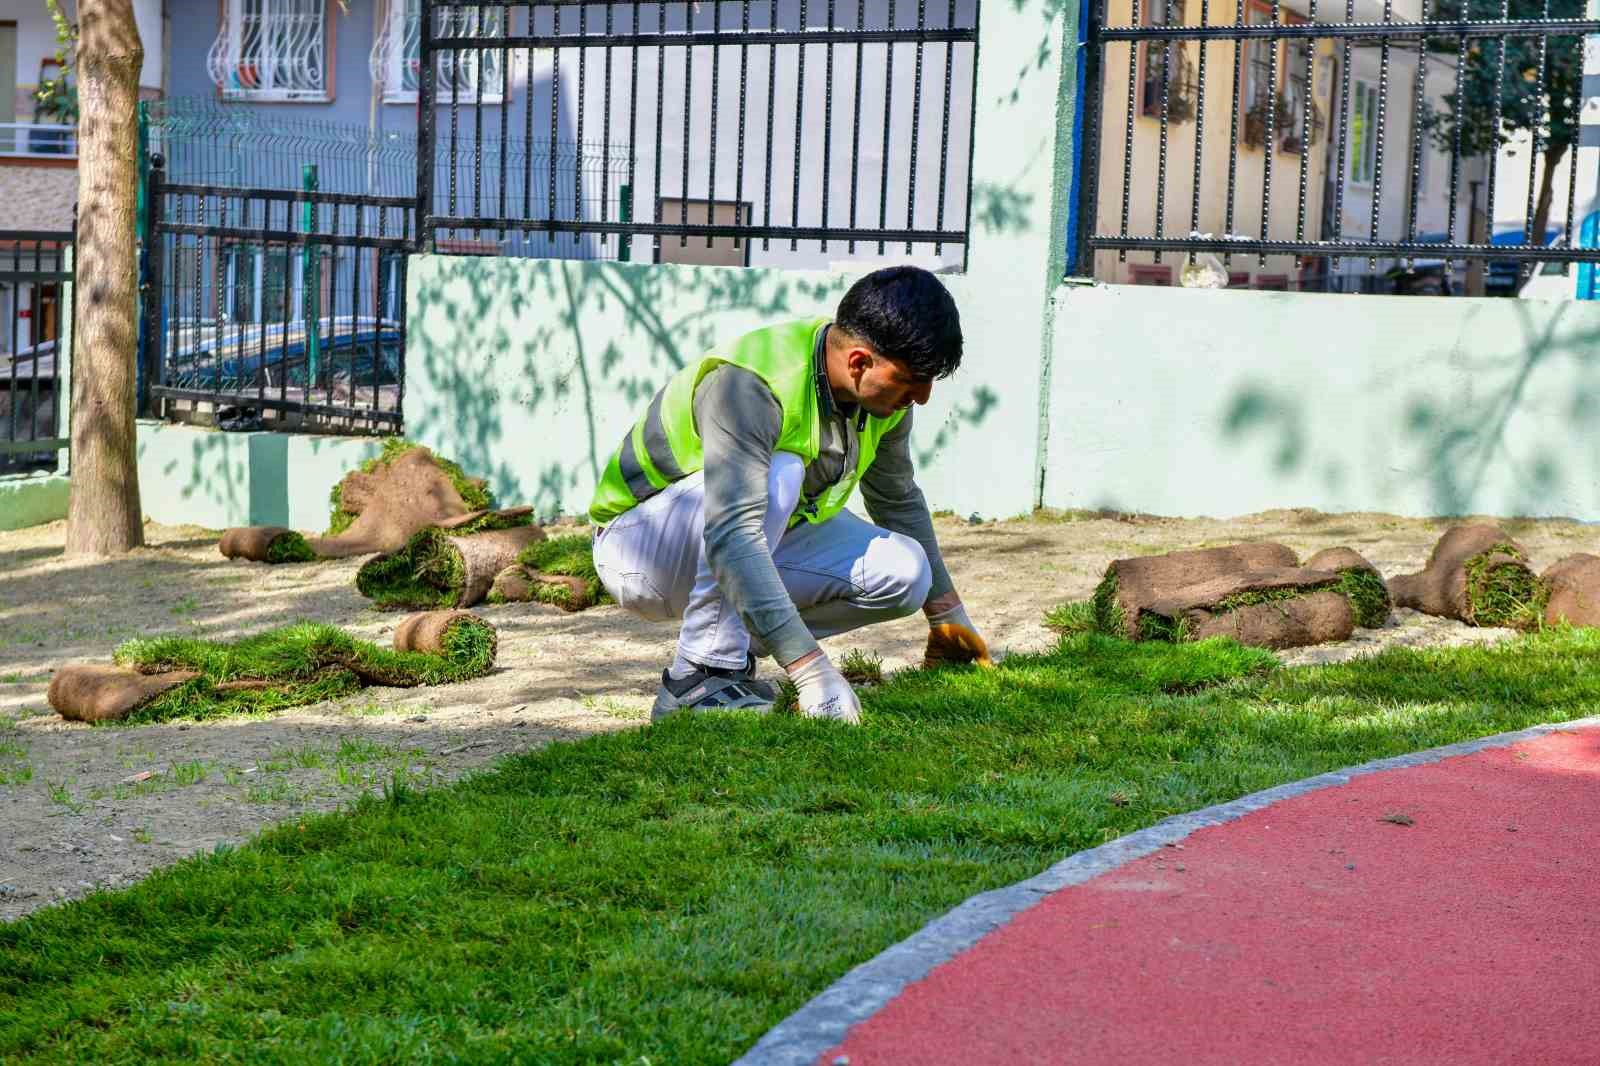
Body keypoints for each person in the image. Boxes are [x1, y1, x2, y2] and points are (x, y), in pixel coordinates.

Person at [588, 265, 993, 724]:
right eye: (914, 380)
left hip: (732, 539)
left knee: (905, 572)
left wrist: (948, 618)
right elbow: (731, 533)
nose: (922, 397)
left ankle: (734, 647)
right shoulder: (752, 384)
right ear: (859, 363)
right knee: (780, 475)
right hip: (639, 550)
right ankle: (698, 678)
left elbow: (896, 497)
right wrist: (811, 671)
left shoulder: (882, 399)